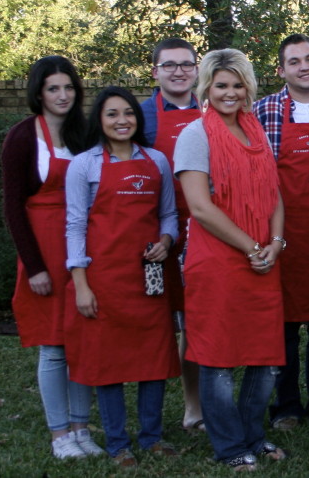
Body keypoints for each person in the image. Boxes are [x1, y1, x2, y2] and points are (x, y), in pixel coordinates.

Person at [174, 48, 287, 471]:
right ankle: (228, 445)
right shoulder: (195, 135)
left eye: (238, 84)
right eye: (221, 84)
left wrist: (275, 242)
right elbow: (200, 207)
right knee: (218, 358)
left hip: (262, 259)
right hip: (218, 261)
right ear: (206, 87)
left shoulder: (255, 131)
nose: (230, 92)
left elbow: (275, 194)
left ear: (248, 88)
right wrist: (251, 246)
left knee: (266, 358)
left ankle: (252, 435)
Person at [64, 86, 181, 467]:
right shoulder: (85, 165)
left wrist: (166, 240)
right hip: (103, 279)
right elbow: (75, 226)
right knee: (108, 363)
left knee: (153, 359)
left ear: (138, 118)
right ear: (99, 120)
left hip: (148, 279)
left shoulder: (158, 161)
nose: (121, 120)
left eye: (128, 113)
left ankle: (151, 437)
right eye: (112, 113)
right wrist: (81, 284)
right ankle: (117, 443)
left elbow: (169, 215)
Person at [0, 55, 102, 460]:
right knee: (54, 346)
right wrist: (35, 267)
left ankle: (82, 428)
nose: (63, 95)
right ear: (38, 93)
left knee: (83, 340)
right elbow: (12, 207)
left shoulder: (85, 135)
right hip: (43, 248)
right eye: (53, 88)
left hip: (82, 249)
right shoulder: (22, 137)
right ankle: (60, 434)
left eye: (69, 88)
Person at [253, 33, 309, 432]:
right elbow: (255, 176)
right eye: (295, 61)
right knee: (280, 325)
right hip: (281, 233)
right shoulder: (262, 110)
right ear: (281, 70)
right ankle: (285, 405)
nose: (305, 66)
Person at [139, 37, 205, 433]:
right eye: (169, 65)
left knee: (195, 321)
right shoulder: (143, 116)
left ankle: (194, 405)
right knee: (156, 320)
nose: (178, 71)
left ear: (197, 70)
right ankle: (149, 408)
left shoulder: (212, 111)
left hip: (203, 228)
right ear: (155, 71)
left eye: (185, 64)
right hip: (158, 236)